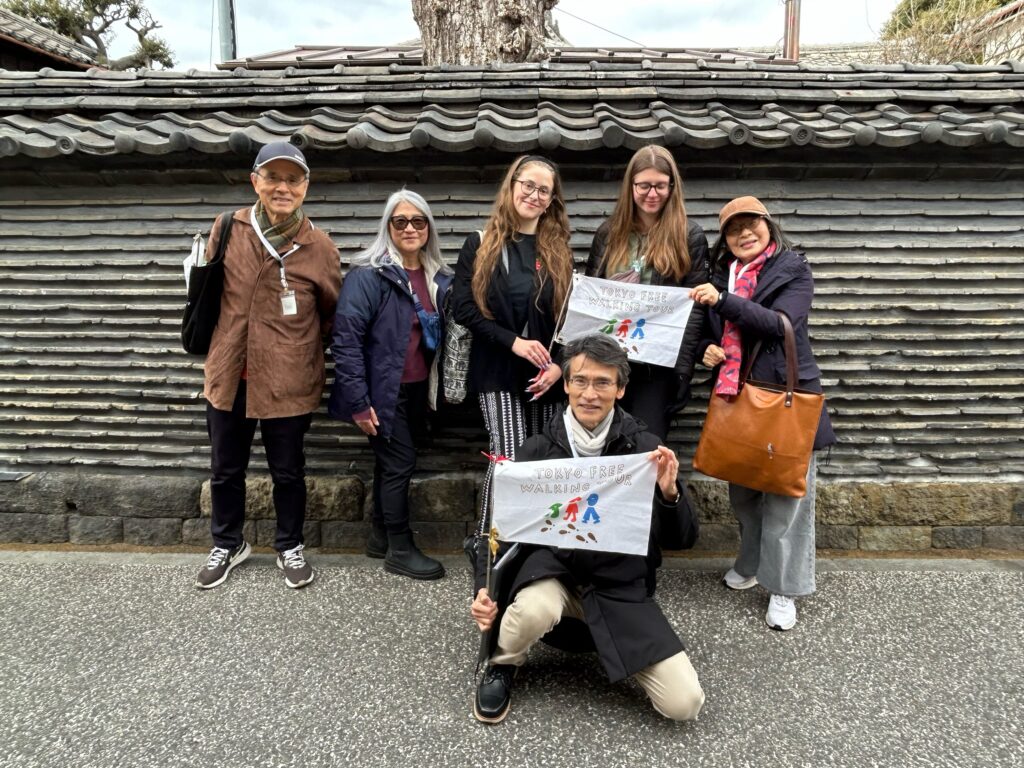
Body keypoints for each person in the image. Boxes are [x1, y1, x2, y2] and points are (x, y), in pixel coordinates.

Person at [469, 334, 704, 724]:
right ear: (565, 384)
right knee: (532, 608)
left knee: (685, 703)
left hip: (618, 585)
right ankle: (503, 663)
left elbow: (684, 540)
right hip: (553, 574)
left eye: (602, 382)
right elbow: (497, 533)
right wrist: (483, 589)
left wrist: (669, 493)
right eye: (579, 380)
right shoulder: (536, 451)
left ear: (621, 389)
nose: (589, 393)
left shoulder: (644, 449)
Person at [194, 142, 341, 590]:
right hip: (230, 373)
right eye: (273, 177)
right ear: (254, 181)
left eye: (293, 180)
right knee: (225, 469)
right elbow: (209, 294)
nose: (283, 188)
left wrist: (297, 350)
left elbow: (331, 315)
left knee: (288, 471)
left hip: (289, 377)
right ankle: (228, 543)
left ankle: (290, 544)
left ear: (305, 188)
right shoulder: (229, 228)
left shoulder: (319, 246)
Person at [690, 196, 836, 630]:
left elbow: (779, 324)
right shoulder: (722, 276)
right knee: (744, 495)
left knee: (786, 501)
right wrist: (705, 350)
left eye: (751, 224)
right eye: (734, 229)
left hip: (784, 399)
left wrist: (722, 301)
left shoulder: (793, 270)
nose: (744, 234)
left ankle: (783, 587)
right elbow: (707, 332)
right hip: (738, 400)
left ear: (768, 226)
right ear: (726, 239)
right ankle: (751, 563)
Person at [451, 155, 575, 546]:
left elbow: (571, 316)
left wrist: (559, 366)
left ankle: (532, 545)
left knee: (542, 459)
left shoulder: (558, 250)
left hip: (545, 374)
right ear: (512, 185)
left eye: (544, 191)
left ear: (551, 200)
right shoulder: (480, 243)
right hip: (497, 369)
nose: (534, 195)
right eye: (528, 185)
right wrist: (514, 342)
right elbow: (463, 308)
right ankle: (488, 545)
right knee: (508, 455)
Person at [328, 190, 451, 580]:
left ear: (428, 227)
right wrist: (359, 402)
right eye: (400, 221)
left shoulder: (437, 277)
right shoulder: (369, 276)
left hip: (418, 390)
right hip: (383, 391)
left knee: (389, 464)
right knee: (400, 464)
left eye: (418, 221)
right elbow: (345, 340)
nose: (410, 228)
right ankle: (400, 548)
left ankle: (379, 537)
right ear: (388, 227)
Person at [585, 145, 710, 441]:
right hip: (608, 360)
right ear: (631, 186)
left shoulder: (688, 236)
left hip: (657, 365)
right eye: (644, 185)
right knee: (603, 443)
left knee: (647, 444)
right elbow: (591, 297)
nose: (652, 194)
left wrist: (683, 370)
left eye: (660, 186)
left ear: (672, 187)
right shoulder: (608, 233)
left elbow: (694, 311)